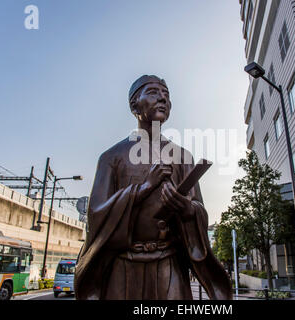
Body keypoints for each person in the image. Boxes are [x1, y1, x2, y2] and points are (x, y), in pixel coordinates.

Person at [74, 75, 232, 300]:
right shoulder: (112, 157)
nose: (163, 99)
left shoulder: (182, 157)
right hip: (122, 267)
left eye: (167, 95)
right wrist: (143, 189)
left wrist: (188, 209)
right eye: (154, 92)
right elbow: (96, 214)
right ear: (134, 104)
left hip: (170, 265)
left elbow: (200, 210)